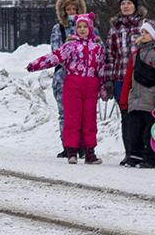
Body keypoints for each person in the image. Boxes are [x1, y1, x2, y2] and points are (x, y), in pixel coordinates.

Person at [27, 12, 105, 164]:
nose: (82, 29)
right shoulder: (70, 46)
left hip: (91, 85)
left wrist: (102, 87)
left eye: (85, 27)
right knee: (72, 118)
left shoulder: (97, 48)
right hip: (73, 84)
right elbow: (53, 58)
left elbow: (101, 68)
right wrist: (34, 65)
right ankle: (72, 151)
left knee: (89, 120)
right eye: (79, 27)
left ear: (90, 28)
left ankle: (90, 152)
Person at [119, 18, 155, 168]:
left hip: (152, 103)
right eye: (142, 32)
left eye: (147, 32)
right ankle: (135, 155)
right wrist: (125, 99)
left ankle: (151, 158)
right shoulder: (136, 54)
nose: (143, 34)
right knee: (134, 131)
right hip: (136, 100)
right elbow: (128, 78)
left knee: (150, 132)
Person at [49, 0, 86, 146]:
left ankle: (82, 144)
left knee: (82, 114)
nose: (72, 12)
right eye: (68, 9)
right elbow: (57, 53)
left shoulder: (88, 29)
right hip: (63, 78)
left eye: (74, 9)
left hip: (83, 78)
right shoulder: (59, 29)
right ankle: (67, 143)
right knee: (64, 113)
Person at [105, 0, 144, 106]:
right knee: (126, 118)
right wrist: (108, 80)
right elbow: (109, 56)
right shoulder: (115, 29)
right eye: (123, 4)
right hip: (120, 79)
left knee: (141, 117)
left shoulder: (144, 26)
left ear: (135, 6)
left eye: (129, 3)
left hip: (142, 79)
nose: (126, 6)